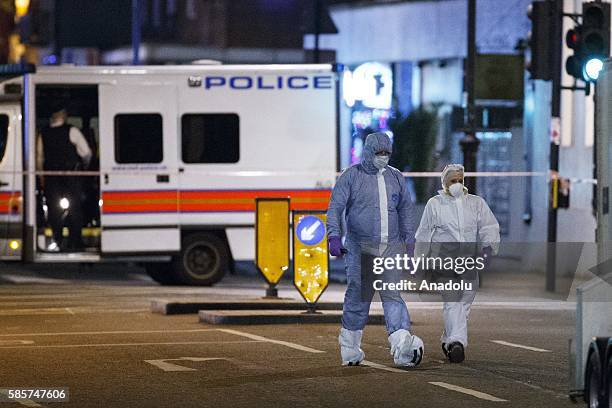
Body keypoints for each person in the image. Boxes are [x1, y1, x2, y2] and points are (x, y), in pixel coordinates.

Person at [327, 132, 424, 367]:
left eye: (387, 153)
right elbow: (335, 206)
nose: (383, 157)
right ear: (369, 152)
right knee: (359, 297)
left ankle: (403, 345)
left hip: (390, 247)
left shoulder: (396, 178)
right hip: (360, 247)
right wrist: (334, 236)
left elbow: (405, 211)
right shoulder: (352, 176)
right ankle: (350, 348)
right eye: (379, 153)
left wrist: (410, 242)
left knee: (392, 295)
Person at [415, 164, 500, 363]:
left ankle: (448, 340)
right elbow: (424, 233)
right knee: (453, 300)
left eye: (460, 180)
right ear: (444, 182)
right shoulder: (435, 204)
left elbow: (489, 225)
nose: (457, 184)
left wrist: (488, 247)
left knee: (465, 301)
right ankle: (457, 342)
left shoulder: (475, 203)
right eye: (453, 181)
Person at [37, 106, 92, 252]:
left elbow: (39, 157)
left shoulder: (43, 134)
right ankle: (76, 241)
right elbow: (86, 152)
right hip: (71, 177)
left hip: (51, 178)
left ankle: (58, 239)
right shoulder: (72, 131)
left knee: (54, 210)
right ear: (64, 116)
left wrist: (42, 176)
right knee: (75, 209)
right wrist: (84, 167)